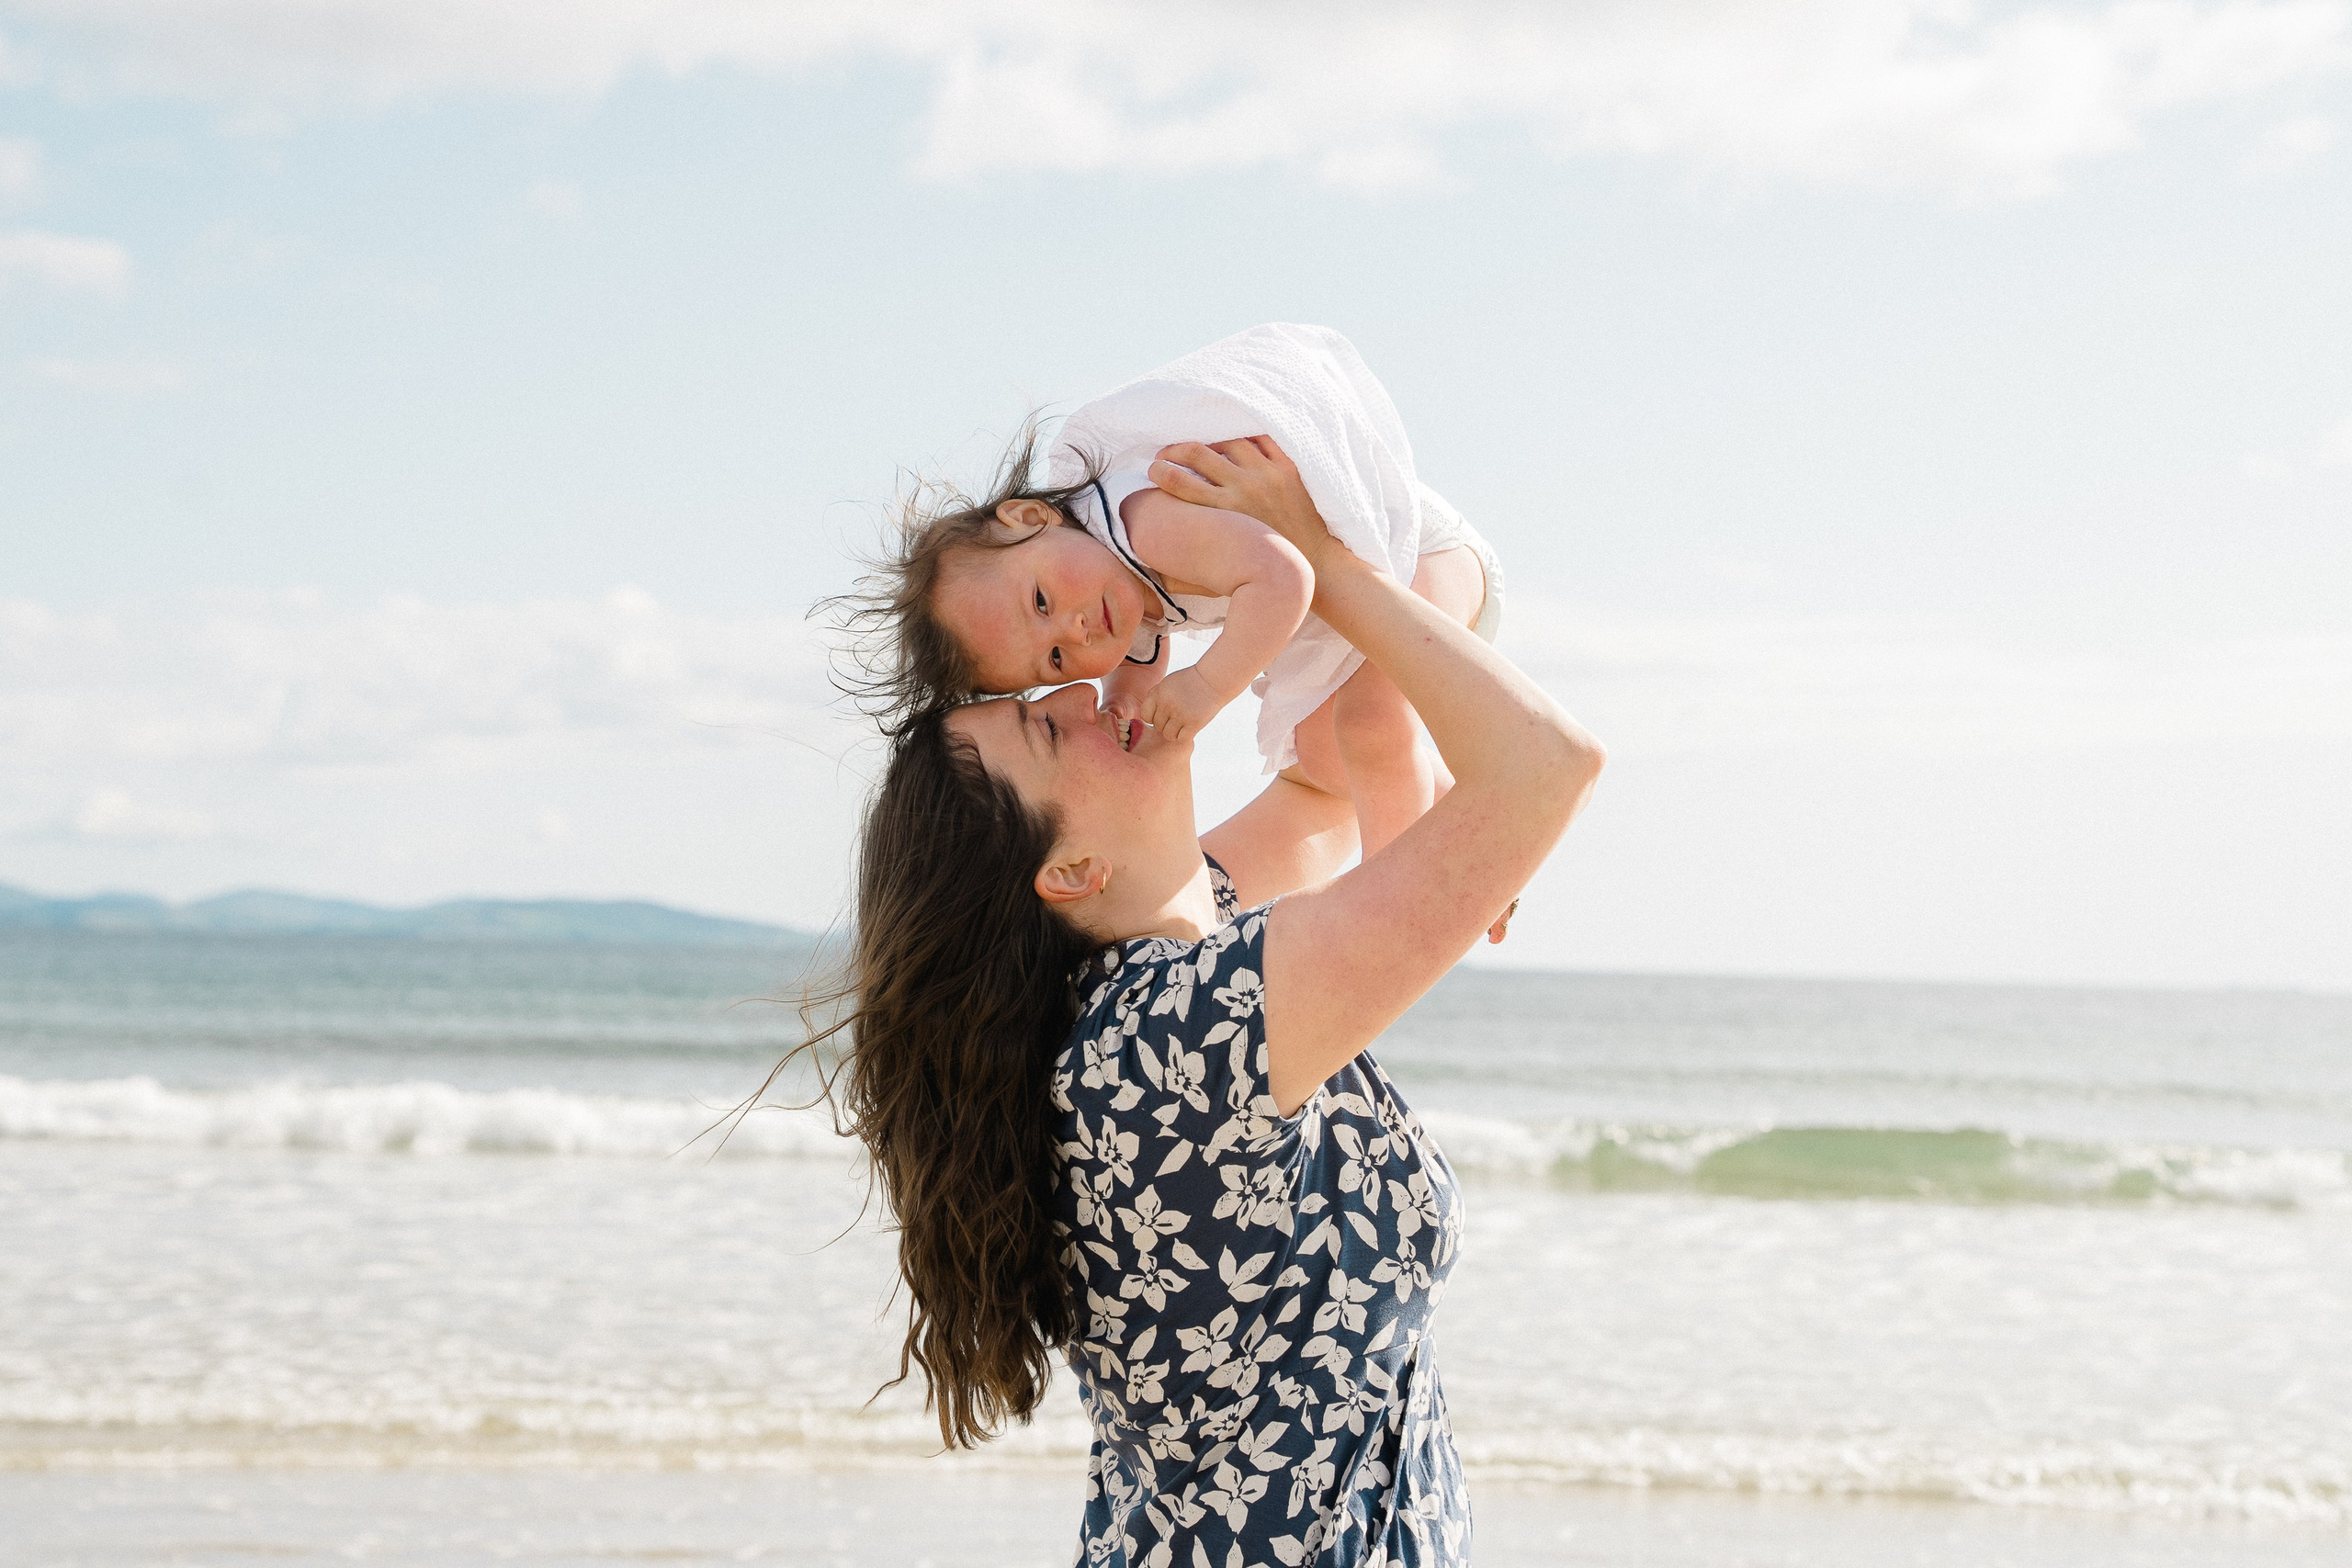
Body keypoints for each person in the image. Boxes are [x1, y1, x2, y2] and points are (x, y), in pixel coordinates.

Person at [824, 436, 1602, 1565]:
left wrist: (1273, 558)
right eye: (1051, 724)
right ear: (1068, 872)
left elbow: (1327, 779)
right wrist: (1324, 559)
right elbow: (1545, 767)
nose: (1091, 691)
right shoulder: (1169, 1031)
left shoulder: (1163, 974)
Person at [848, 323, 1506, 863]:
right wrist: (1128, 698)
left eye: (1042, 602)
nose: (1075, 632)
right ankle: (1450, 805)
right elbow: (1143, 651)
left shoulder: (1140, 523)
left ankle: (1412, 904)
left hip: (1421, 551)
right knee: (1326, 757)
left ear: (1030, 517)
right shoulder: (1109, 584)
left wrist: (1207, 687)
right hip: (1359, 597)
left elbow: (1284, 578)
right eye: (1052, 660)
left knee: (1368, 727)